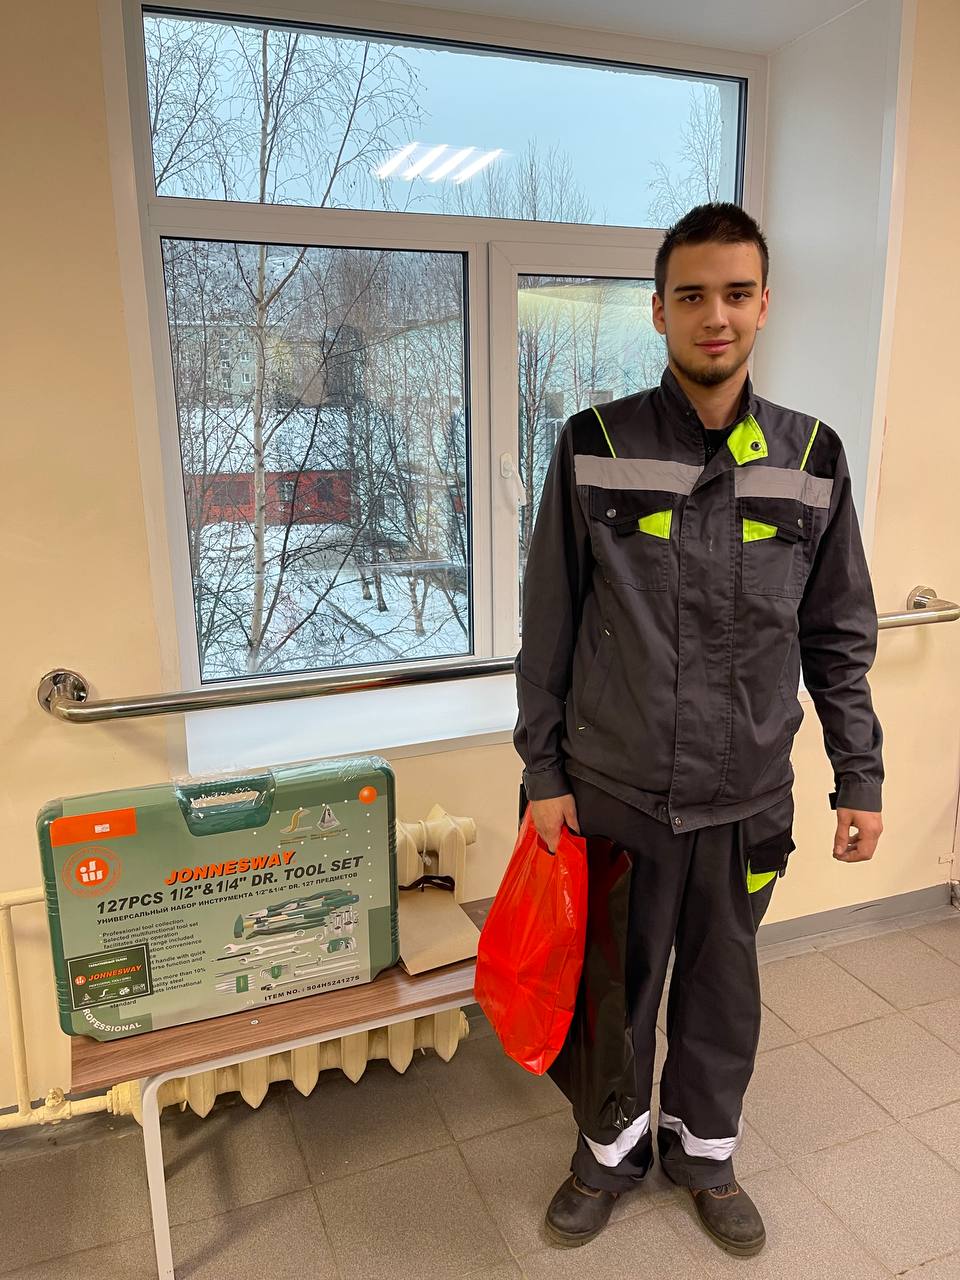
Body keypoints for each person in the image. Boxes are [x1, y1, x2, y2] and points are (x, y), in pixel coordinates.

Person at [513, 202, 884, 1257]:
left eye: (735, 293)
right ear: (658, 310)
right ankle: (607, 1155)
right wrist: (542, 773)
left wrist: (859, 776)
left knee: (724, 995)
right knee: (614, 998)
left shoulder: (813, 455)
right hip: (616, 790)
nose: (714, 315)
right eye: (691, 295)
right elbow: (550, 623)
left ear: (764, 304)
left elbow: (837, 635)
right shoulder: (594, 445)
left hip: (747, 798)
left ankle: (705, 1154)